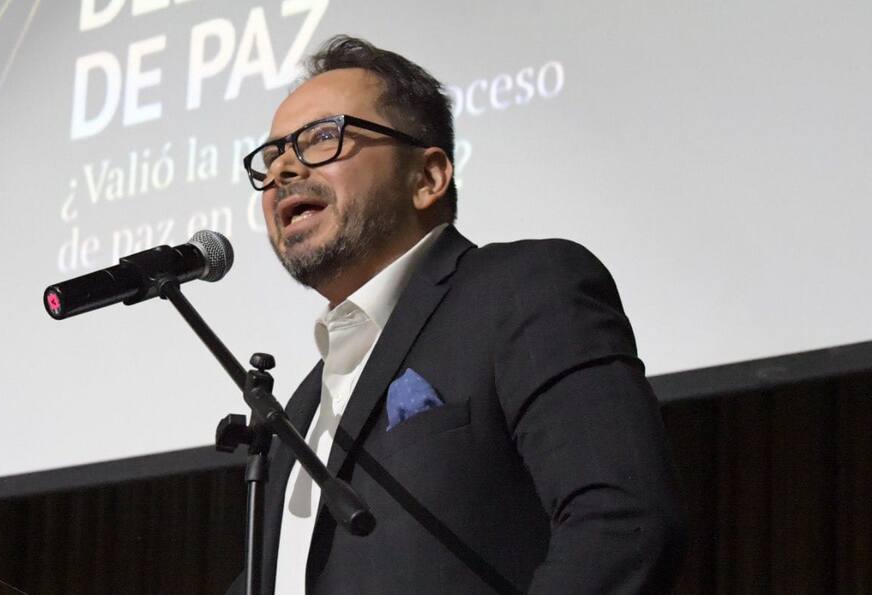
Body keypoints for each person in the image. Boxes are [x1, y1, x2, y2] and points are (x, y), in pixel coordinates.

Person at [226, 36, 685, 594]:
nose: (282, 170)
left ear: (427, 178)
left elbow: (621, 523)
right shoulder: (299, 410)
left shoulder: (522, 289)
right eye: (271, 157)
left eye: (323, 137)